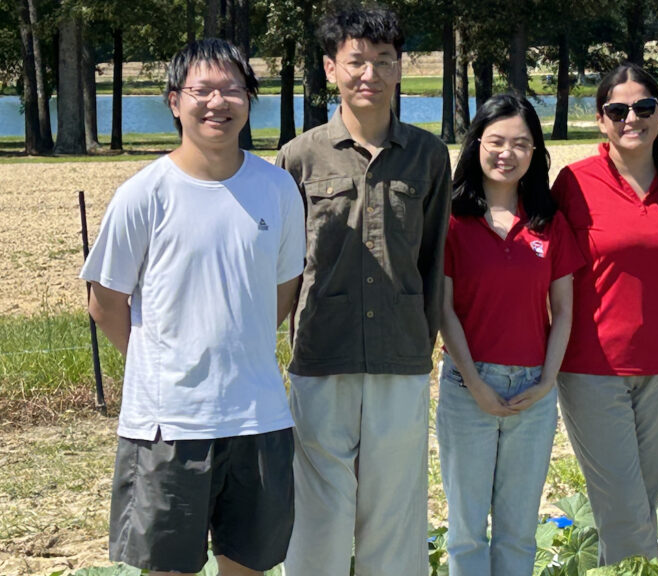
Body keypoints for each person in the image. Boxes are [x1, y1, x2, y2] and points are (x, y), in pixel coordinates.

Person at [80, 38, 305, 576]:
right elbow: (105, 301)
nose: (217, 102)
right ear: (175, 101)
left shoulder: (277, 188)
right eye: (202, 89)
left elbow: (284, 287)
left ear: (249, 101)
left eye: (232, 89)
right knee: (168, 569)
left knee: (249, 566)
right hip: (168, 425)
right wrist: (162, 363)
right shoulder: (145, 193)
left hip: (258, 418)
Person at [274, 6, 451, 576]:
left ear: (401, 69)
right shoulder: (299, 158)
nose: (369, 73)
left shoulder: (428, 155)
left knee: (395, 509)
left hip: (401, 355)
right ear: (331, 69)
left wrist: (425, 340)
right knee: (319, 509)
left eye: (383, 61)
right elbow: (286, 267)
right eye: (356, 61)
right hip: (321, 352)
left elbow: (434, 259)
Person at [551, 62, 658, 565]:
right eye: (618, 110)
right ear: (600, 119)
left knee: (642, 500)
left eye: (643, 107)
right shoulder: (574, 182)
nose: (631, 118)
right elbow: (548, 274)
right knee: (623, 507)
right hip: (592, 368)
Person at [437, 94, 584, 576]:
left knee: (519, 532)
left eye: (521, 143)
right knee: (465, 533)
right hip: (466, 388)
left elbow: (563, 310)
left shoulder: (549, 222)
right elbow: (443, 308)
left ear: (535, 153)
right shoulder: (452, 220)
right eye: (496, 141)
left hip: (532, 391)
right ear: (476, 143)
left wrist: (546, 383)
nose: (507, 153)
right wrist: (475, 384)